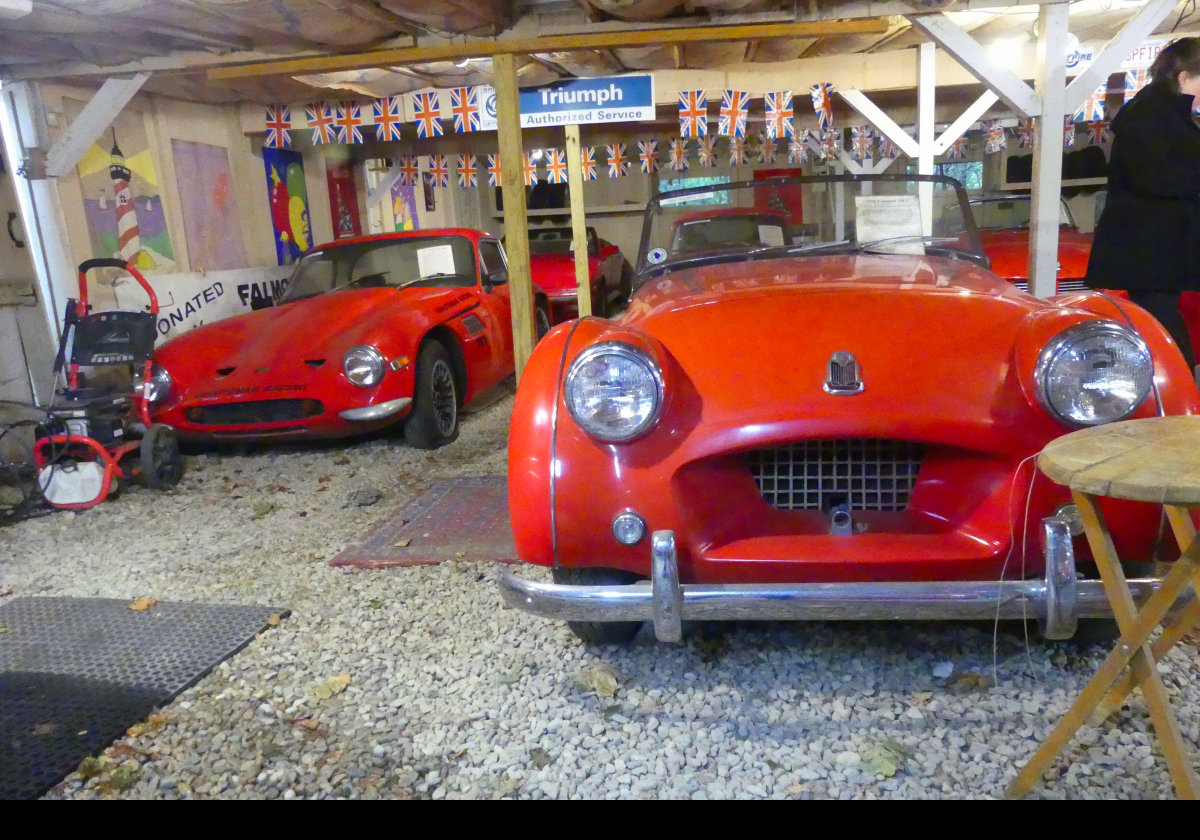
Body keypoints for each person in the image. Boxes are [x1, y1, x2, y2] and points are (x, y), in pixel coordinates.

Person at [1086, 37, 1200, 370]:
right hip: (1150, 248)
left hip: (1158, 247)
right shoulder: (1150, 115)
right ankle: (1180, 400)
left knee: (1162, 320)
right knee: (1162, 325)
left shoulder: (1164, 114)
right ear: (1183, 77)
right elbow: (1154, 177)